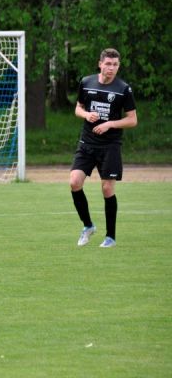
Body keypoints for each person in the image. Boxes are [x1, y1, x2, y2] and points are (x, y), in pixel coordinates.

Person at [70, 48, 138, 248]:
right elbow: (77, 108)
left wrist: (110, 124)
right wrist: (86, 115)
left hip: (110, 145)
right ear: (100, 64)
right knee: (74, 182)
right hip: (87, 143)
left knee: (107, 188)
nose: (111, 68)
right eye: (108, 64)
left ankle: (110, 237)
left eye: (115, 64)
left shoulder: (123, 89)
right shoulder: (86, 82)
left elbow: (133, 120)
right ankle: (88, 226)